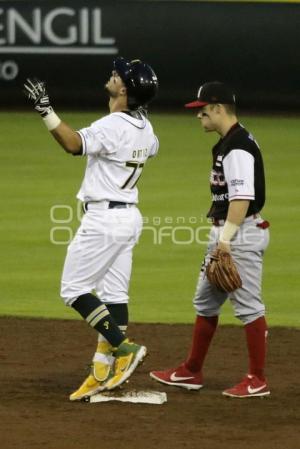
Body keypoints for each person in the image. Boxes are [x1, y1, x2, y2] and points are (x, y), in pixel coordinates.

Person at [24, 57, 159, 401]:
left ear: (125, 90)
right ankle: (102, 369)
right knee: (115, 296)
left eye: (119, 75)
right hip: (128, 217)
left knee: (73, 289)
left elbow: (73, 144)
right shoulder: (146, 128)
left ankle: (124, 348)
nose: (113, 75)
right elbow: (151, 148)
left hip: (104, 220)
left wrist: (45, 110)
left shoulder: (114, 125)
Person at [150, 82, 270, 398]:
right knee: (206, 301)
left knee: (249, 307)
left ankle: (257, 379)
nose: (199, 115)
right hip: (227, 232)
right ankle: (191, 370)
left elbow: (242, 198)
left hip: (239, 234)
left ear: (218, 108)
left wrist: (225, 242)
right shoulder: (230, 142)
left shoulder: (238, 147)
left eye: (202, 110)